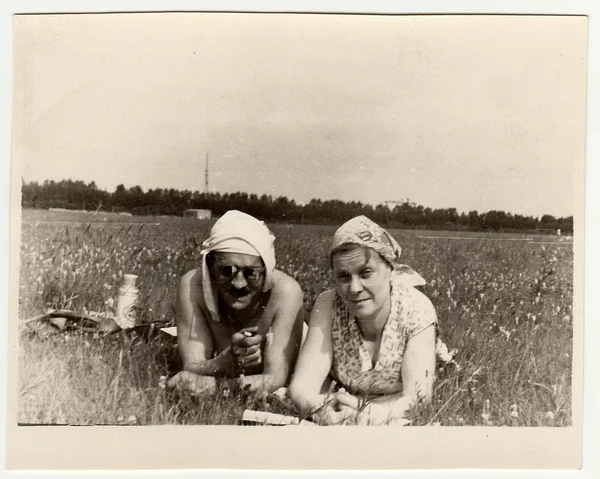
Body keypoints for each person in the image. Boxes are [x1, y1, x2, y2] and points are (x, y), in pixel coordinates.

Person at [289, 216, 437, 425]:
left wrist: (366, 414)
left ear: (389, 270)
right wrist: (321, 409)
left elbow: (418, 398)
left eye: (366, 273)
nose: (355, 288)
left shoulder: (416, 309)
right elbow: (302, 387)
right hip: (340, 402)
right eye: (344, 276)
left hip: (388, 407)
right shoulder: (329, 304)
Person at [167, 210, 305, 396]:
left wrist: (213, 387)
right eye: (226, 271)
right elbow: (191, 366)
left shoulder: (286, 292)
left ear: (266, 272)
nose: (238, 283)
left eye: (251, 273)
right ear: (209, 267)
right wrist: (222, 364)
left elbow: (275, 378)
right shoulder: (193, 286)